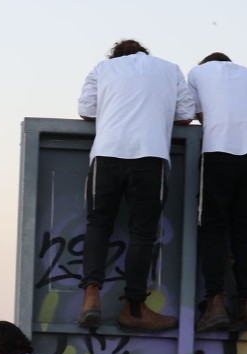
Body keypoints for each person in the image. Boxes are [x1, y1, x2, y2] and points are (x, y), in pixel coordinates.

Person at [76, 39, 194, 332]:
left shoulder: (103, 69)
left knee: (98, 225)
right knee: (142, 234)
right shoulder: (169, 69)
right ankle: (134, 308)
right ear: (145, 54)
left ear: (116, 56)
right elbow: (186, 115)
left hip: (107, 154)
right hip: (150, 156)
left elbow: (86, 111)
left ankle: (91, 298)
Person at [186, 53, 247, 333]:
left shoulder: (198, 74)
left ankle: (215, 303)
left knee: (213, 229)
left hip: (218, 148)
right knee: (246, 232)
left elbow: (192, 113)